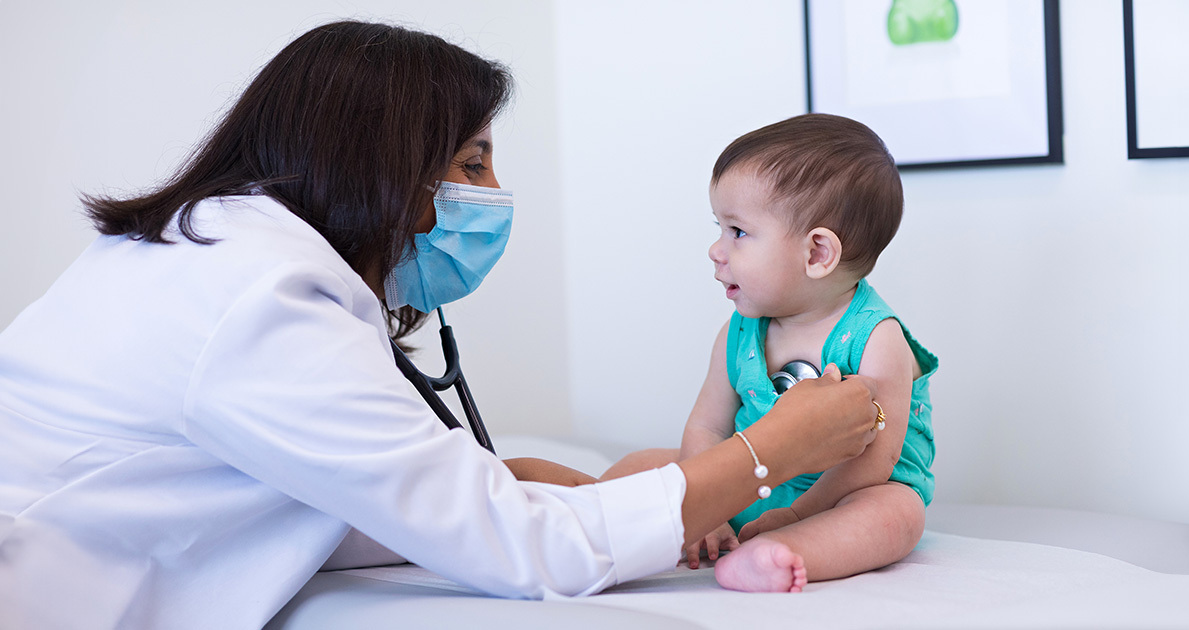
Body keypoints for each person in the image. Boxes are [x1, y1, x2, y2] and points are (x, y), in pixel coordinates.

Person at [0, 22, 881, 628]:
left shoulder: (209, 254)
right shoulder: (257, 300)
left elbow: (311, 489)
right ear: (380, 164)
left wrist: (502, 479)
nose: (492, 195)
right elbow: (528, 556)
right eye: (471, 161)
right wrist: (773, 452)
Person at [602, 113, 938, 592]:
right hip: (746, 479)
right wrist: (706, 508)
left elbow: (872, 464)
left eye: (737, 232)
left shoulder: (878, 340)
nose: (716, 250)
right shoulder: (739, 332)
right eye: (719, 228)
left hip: (838, 493)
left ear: (817, 254)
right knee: (642, 464)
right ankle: (603, 524)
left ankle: (787, 552)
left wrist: (798, 514)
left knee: (897, 515)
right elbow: (707, 427)